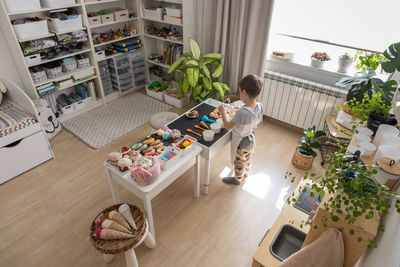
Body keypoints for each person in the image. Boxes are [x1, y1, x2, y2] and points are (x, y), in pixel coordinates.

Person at [218, 74, 264, 185]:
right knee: (247, 158)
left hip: (241, 141)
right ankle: (246, 172)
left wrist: (223, 113)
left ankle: (237, 178)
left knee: (239, 161)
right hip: (250, 138)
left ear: (244, 93)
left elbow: (228, 126)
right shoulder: (259, 106)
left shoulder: (242, 113)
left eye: (239, 92)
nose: (239, 95)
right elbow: (259, 120)